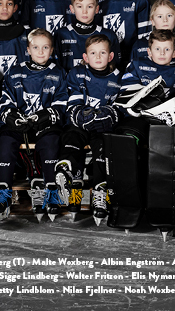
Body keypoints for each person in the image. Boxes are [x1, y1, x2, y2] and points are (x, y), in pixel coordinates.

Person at [0, 28, 67, 222]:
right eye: (36, 47)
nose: (40, 52)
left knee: (51, 143)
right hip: (20, 124)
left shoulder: (58, 72)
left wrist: (46, 115)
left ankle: (51, 192)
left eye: (45, 47)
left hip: (45, 125)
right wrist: (11, 114)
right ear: (28, 49)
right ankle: (2, 192)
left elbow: (62, 102)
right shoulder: (15, 71)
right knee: (4, 142)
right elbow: (5, 98)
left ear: (52, 50)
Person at [55, 34, 124, 225]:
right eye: (93, 53)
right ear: (85, 57)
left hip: (102, 128)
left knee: (104, 148)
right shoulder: (76, 73)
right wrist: (81, 115)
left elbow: (122, 105)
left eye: (103, 53)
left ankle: (100, 193)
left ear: (111, 56)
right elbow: (72, 99)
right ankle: (67, 172)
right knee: (71, 138)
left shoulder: (120, 77)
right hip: (80, 125)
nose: (98, 57)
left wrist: (109, 115)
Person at [54, 0, 120, 71]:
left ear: (96, 9)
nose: (84, 11)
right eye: (79, 6)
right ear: (72, 9)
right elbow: (56, 68)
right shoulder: (61, 34)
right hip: (69, 79)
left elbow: (115, 67)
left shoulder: (108, 35)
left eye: (89, 6)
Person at [120, 29, 175, 95]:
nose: (162, 53)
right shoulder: (136, 66)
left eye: (167, 49)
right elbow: (126, 94)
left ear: (174, 53)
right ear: (149, 52)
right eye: (157, 49)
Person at [130, 0, 175, 68]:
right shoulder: (139, 45)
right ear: (152, 21)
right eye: (160, 16)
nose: (165, 20)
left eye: (169, 16)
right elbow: (131, 70)